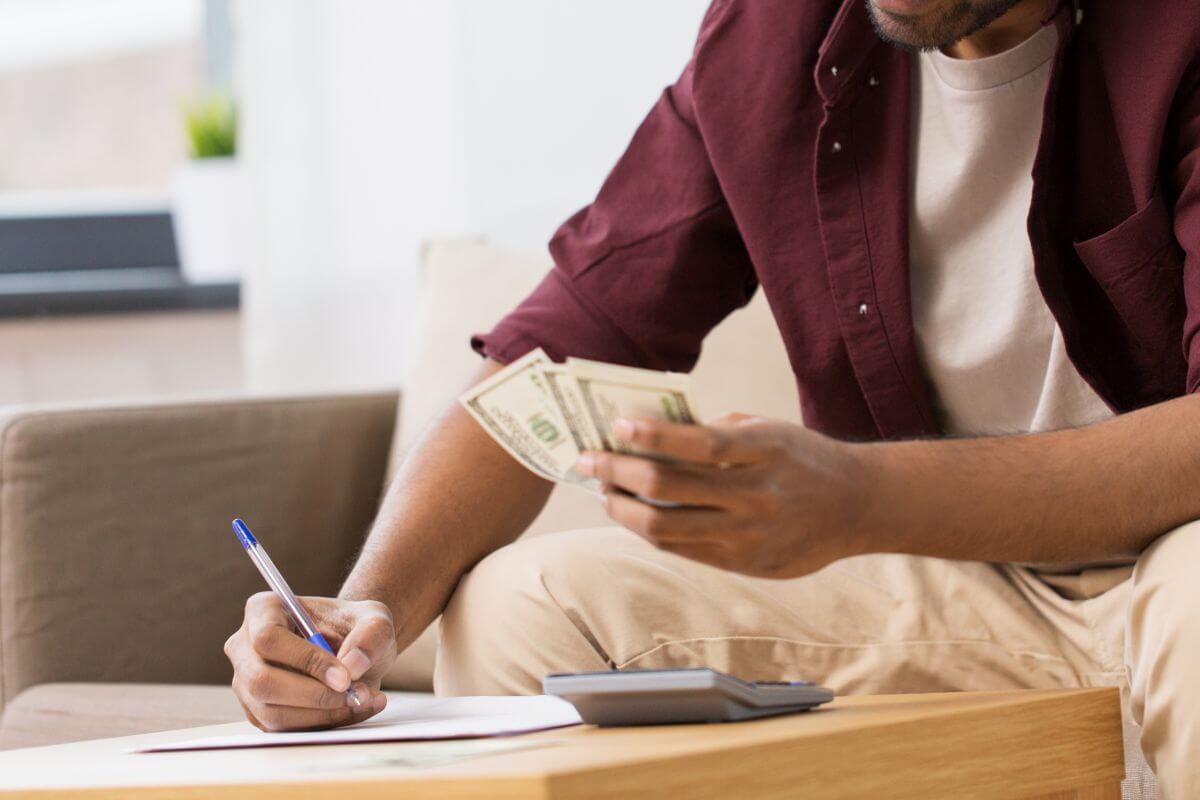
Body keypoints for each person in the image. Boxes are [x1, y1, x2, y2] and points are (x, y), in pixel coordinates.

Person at [224, 0, 1200, 793]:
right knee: (521, 610)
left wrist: (858, 499)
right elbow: (553, 358)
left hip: (1176, 554)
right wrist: (358, 615)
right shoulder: (773, 41)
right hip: (967, 576)